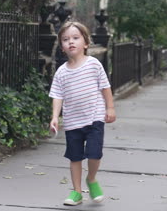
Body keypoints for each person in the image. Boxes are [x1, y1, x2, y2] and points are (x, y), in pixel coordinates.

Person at [49, 21, 116, 206]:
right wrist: (55, 117)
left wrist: (110, 108)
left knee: (94, 153)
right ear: (62, 46)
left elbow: (105, 87)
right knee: (75, 157)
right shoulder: (61, 73)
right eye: (65, 39)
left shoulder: (94, 64)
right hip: (72, 122)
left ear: (85, 43)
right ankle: (77, 192)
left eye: (75, 38)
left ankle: (92, 179)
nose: (71, 42)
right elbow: (57, 96)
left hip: (94, 117)